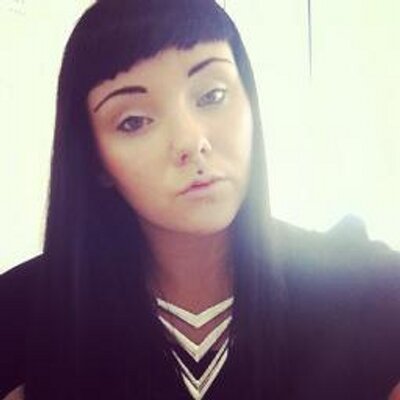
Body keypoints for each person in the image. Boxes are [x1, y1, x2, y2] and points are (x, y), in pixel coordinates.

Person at [1, 1, 400, 399]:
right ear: (94, 160)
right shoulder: (25, 314)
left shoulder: (361, 289)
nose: (191, 141)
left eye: (212, 95)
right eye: (134, 121)